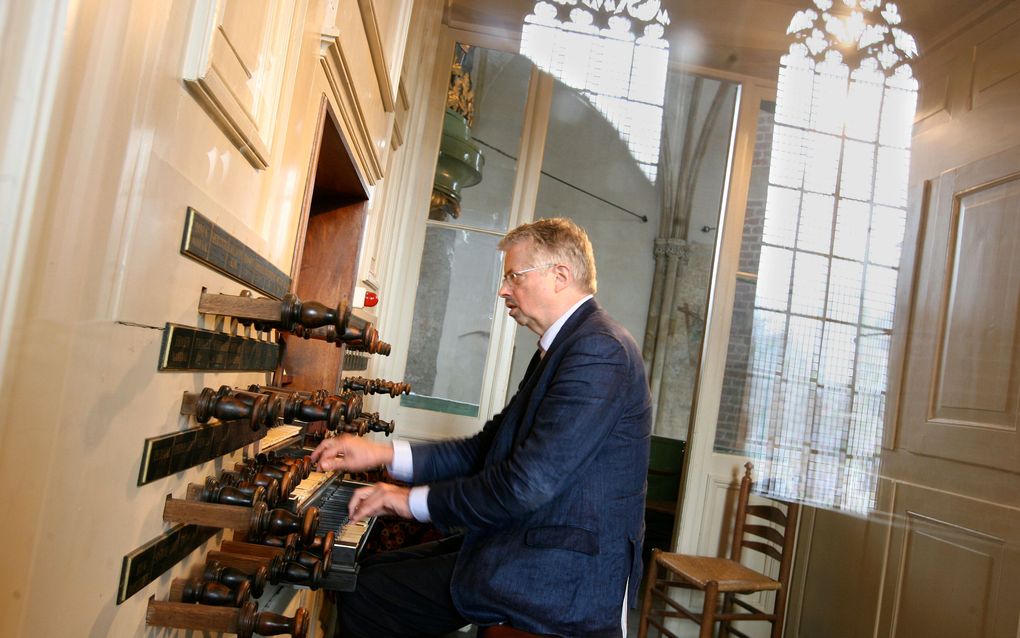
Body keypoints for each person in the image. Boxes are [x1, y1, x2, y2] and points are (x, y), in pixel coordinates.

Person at [311, 217, 652, 637]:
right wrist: (382, 454)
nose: (503, 289)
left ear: (560, 276)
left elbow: (526, 484)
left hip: (563, 575)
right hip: (535, 543)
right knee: (367, 571)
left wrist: (406, 501)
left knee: (367, 591)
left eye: (514, 276)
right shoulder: (565, 347)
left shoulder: (600, 351)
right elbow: (485, 449)